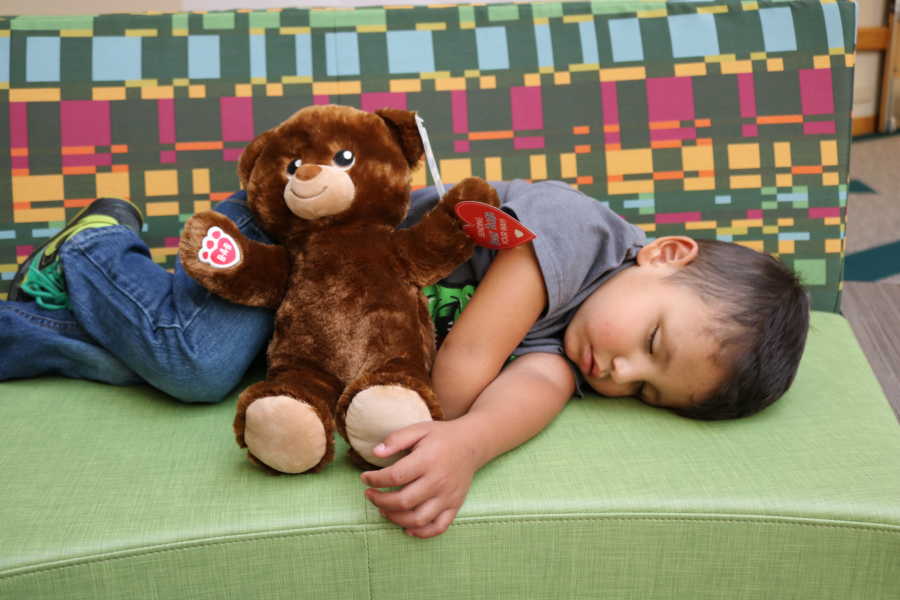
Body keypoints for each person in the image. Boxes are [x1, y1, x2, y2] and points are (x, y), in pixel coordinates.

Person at [0, 179, 810, 539]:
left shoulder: (579, 344)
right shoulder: (572, 234)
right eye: (653, 343)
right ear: (664, 254)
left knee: (146, 366)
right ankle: (102, 243)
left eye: (648, 391)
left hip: (310, 335)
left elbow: (529, 392)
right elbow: (464, 374)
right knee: (198, 364)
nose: (620, 371)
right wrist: (446, 424)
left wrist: (468, 449)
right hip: (292, 244)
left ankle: (34, 323)